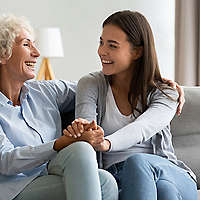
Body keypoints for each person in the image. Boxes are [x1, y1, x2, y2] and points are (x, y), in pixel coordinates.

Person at [64, 10, 198, 200]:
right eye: (101, 42)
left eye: (112, 45)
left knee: (140, 164)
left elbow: (142, 128)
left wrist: (106, 143)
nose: (102, 51)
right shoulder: (91, 84)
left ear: (137, 52)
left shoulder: (166, 93)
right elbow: (87, 127)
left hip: (169, 172)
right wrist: (87, 134)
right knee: (164, 192)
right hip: (118, 177)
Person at [0, 14, 119, 200]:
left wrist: (152, 82)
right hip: (14, 189)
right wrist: (60, 143)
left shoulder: (45, 91)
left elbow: (92, 86)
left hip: (50, 174)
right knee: (81, 151)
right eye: (26, 44)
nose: (37, 53)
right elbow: (5, 161)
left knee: (106, 181)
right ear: (2, 54)